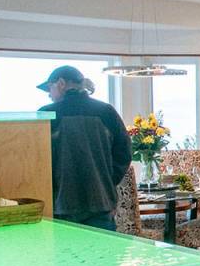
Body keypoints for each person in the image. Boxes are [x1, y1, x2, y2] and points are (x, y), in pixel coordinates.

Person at [38, 66, 131, 230]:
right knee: (102, 247)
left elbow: (37, 159)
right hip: (101, 203)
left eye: (50, 88)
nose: (49, 95)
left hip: (60, 205)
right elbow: (124, 153)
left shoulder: (46, 114)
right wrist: (106, 181)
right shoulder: (106, 112)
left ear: (61, 83)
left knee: (66, 248)